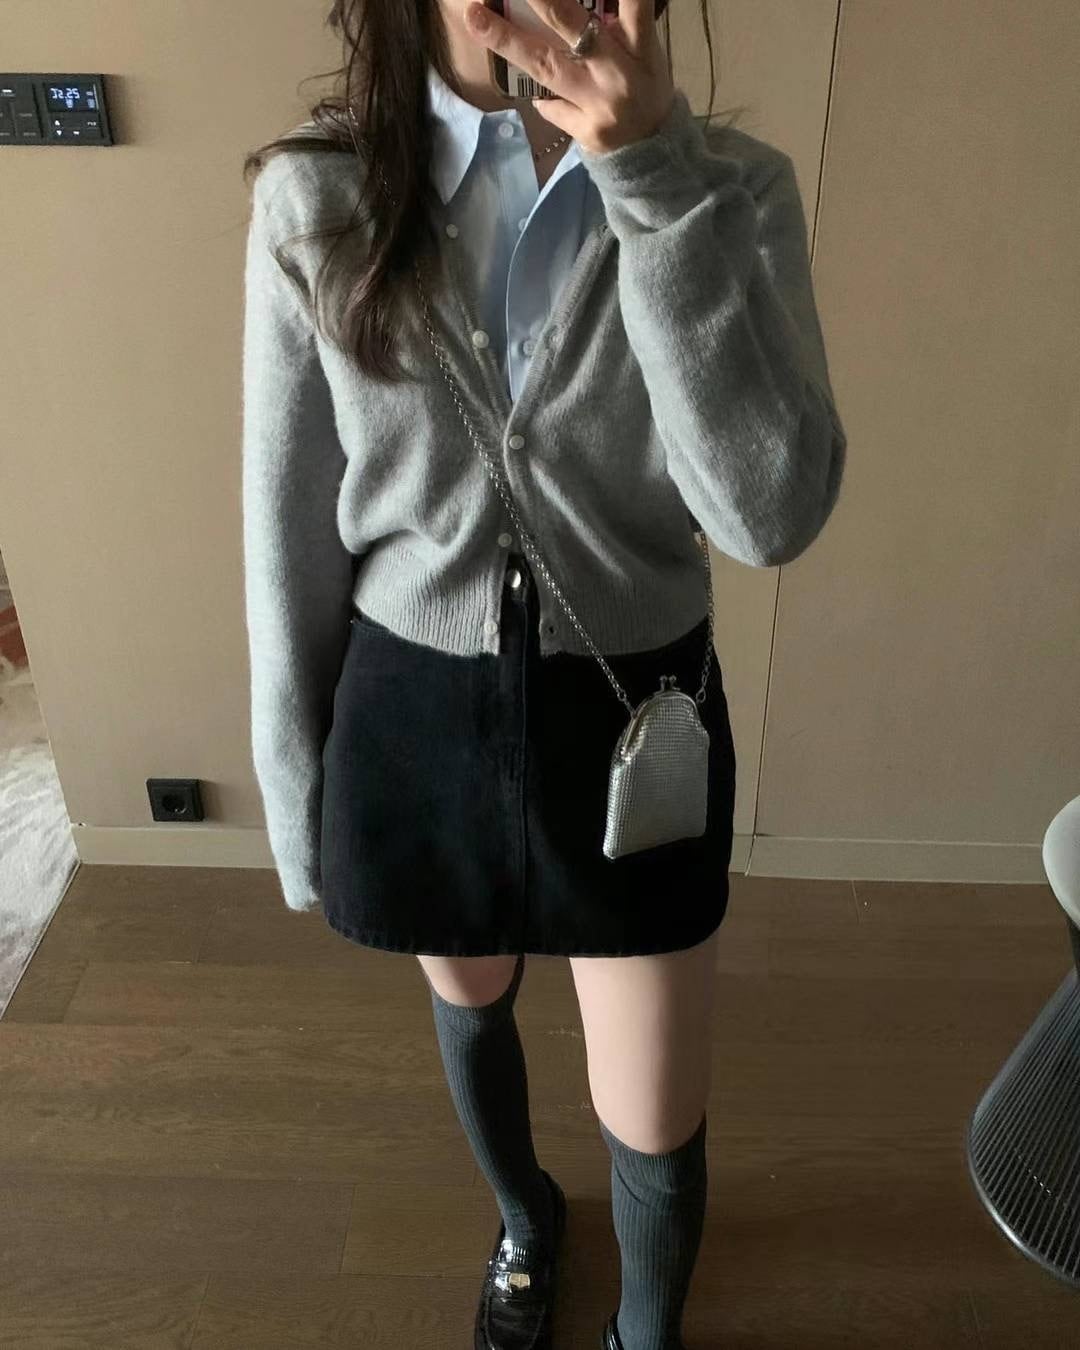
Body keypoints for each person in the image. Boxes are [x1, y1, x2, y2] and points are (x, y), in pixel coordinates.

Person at [240, 1, 847, 1346]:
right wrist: (297, 796)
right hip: (412, 704)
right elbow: (285, 532)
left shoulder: (734, 194)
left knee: (655, 1105)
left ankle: (645, 1331)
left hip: (635, 715)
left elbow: (770, 513)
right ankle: (523, 1218)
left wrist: (650, 178)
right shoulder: (316, 199)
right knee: (470, 997)